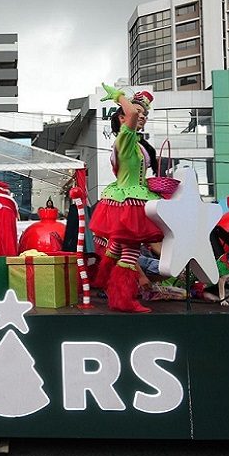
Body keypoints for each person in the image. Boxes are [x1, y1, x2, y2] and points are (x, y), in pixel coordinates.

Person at [89, 85, 162, 313]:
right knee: (130, 253)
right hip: (130, 202)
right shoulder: (126, 138)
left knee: (116, 247)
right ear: (122, 117)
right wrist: (119, 96)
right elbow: (130, 112)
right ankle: (123, 300)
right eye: (138, 112)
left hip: (131, 198)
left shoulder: (135, 143)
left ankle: (106, 284)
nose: (142, 116)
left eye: (145, 114)